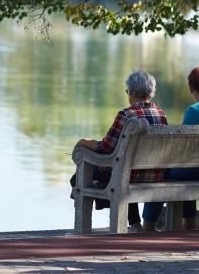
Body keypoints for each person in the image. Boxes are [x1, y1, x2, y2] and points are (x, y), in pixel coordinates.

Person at [70, 69, 168, 233]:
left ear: (131, 91)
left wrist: (83, 142)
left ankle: (82, 230)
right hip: (154, 174)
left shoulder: (126, 115)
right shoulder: (160, 114)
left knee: (79, 177)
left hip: (127, 174)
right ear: (150, 93)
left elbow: (105, 148)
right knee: (125, 169)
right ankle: (135, 226)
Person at [141, 65, 199, 231]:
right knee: (185, 171)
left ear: (191, 88)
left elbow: (181, 146)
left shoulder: (194, 110)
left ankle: (148, 225)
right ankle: (189, 222)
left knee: (160, 172)